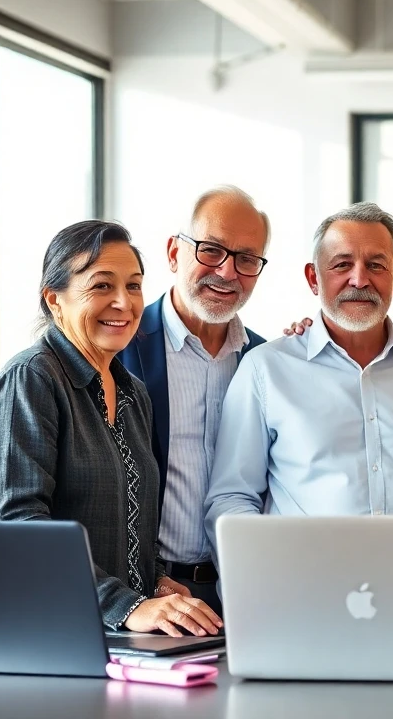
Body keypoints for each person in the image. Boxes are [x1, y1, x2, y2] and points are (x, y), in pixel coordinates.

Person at [0, 220, 221, 637]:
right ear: (54, 300)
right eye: (102, 286)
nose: (124, 303)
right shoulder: (32, 379)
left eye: (135, 285)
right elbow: (18, 526)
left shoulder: (132, 393)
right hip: (43, 632)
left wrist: (156, 581)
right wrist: (127, 606)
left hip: (118, 637)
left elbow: (130, 525)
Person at [204, 203, 393, 552]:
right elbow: (231, 499)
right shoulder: (265, 369)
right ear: (314, 278)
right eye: (342, 264)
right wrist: (267, 584)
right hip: (304, 595)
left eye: (376, 265)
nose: (359, 279)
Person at [118, 186, 270, 615]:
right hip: (148, 593)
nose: (226, 272)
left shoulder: (267, 362)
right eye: (211, 250)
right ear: (173, 253)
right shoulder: (119, 347)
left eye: (246, 259)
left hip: (243, 591)